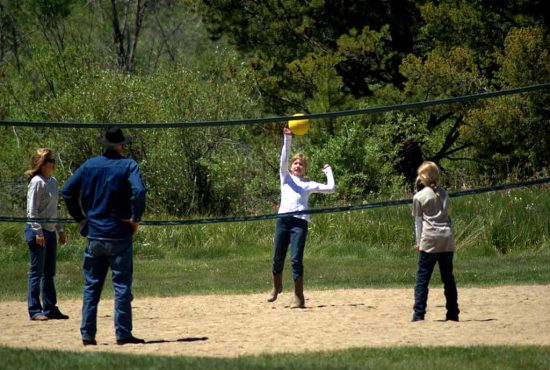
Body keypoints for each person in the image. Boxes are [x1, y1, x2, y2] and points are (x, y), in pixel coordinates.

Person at [62, 126, 147, 346]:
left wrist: (81, 218)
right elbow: (139, 191)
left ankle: (88, 334)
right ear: (121, 145)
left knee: (91, 286)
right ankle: (123, 333)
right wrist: (135, 219)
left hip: (95, 234)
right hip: (119, 233)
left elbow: (68, 191)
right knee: (121, 287)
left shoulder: (90, 165)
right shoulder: (129, 165)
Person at [268, 127, 335, 308]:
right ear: (291, 166)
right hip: (283, 220)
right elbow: (283, 158)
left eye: (302, 164)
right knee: (277, 257)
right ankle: (277, 286)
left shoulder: (308, 184)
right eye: (295, 163)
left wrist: (328, 171)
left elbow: (331, 188)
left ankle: (299, 296)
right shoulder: (285, 177)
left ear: (305, 169)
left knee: (296, 259)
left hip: (300, 223)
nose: (298, 166)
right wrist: (287, 139)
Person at [24, 148, 69, 321]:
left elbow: (53, 210)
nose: (53, 164)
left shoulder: (53, 182)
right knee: (36, 271)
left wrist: (60, 229)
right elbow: (31, 209)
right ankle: (34, 309)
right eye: (50, 161)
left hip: (50, 231)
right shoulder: (37, 182)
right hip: (38, 232)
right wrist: (37, 232)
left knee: (49, 273)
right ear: (42, 164)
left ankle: (50, 307)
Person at [411, 161, 459, 322]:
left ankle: (419, 314)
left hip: (430, 239)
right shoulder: (443, 193)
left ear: (423, 177)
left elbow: (418, 223)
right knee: (448, 278)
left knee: (422, 278)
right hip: (447, 238)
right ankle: (453, 313)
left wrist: (418, 243)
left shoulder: (418, 197)